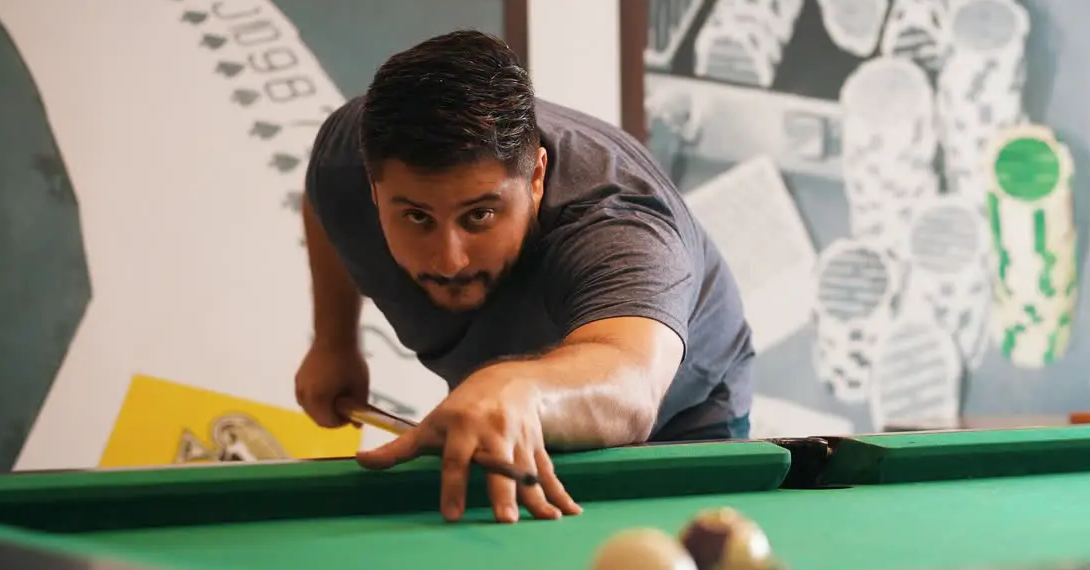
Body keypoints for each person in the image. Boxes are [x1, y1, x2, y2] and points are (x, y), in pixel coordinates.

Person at [295, 30, 754, 524]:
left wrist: (520, 391)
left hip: (683, 414)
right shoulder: (347, 158)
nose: (449, 260)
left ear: (535, 179)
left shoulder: (617, 223)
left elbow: (631, 381)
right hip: (517, 389)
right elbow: (325, 203)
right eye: (417, 218)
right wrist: (334, 342)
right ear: (373, 188)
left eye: (479, 217)